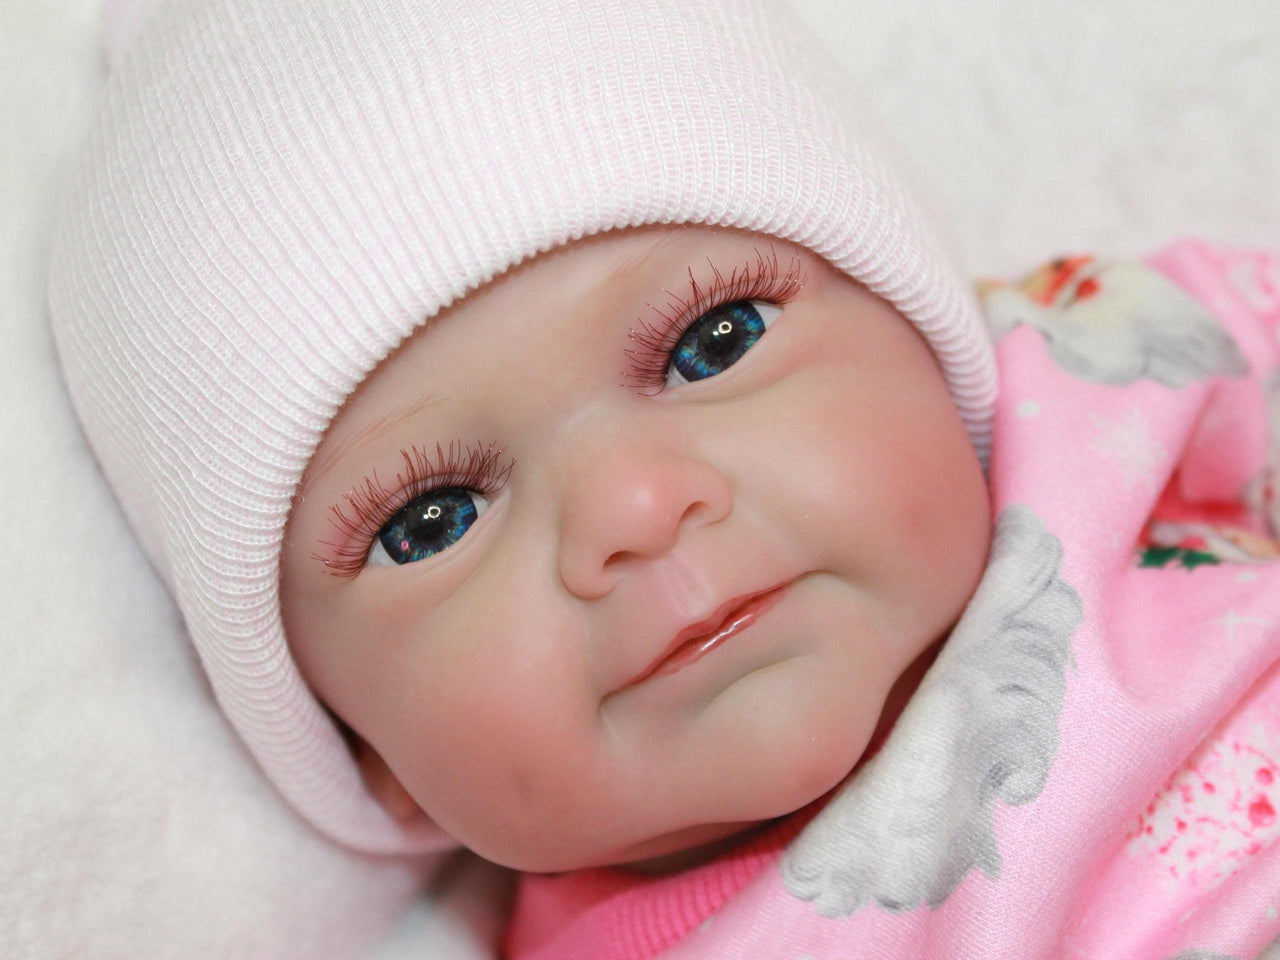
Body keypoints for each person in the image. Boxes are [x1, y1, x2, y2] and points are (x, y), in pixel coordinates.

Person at [45, 0, 1280, 956]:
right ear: (357, 747)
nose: (630, 512)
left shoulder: (1119, 364)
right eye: (432, 522)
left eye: (712, 342)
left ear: (918, 329)